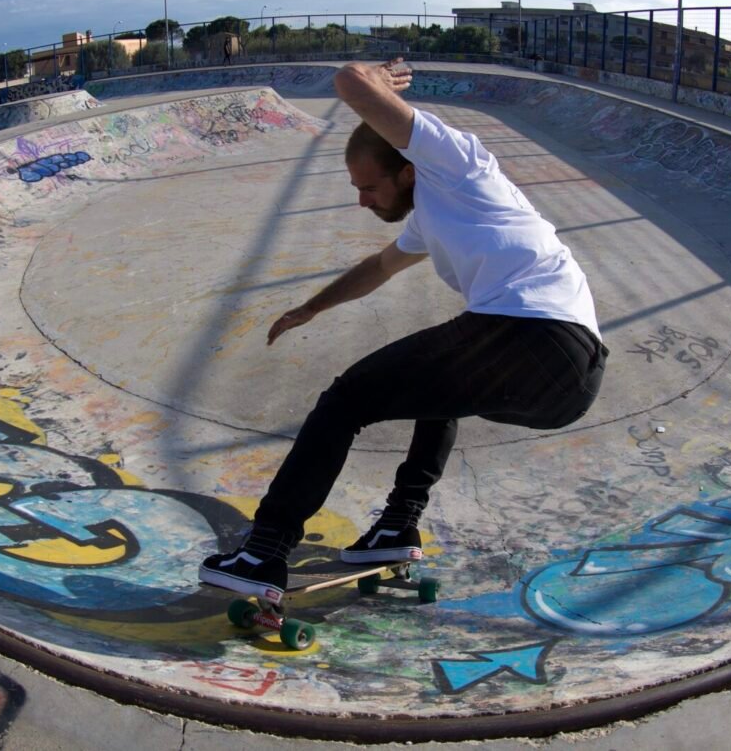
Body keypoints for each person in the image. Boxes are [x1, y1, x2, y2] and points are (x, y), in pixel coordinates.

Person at [200, 59, 608, 602]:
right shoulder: (430, 215)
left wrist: (375, 79)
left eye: (369, 187)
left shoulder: (457, 164)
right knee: (436, 395)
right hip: (568, 380)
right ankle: (397, 526)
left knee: (346, 399)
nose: (362, 201)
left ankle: (264, 551)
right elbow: (378, 268)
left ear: (407, 171)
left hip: (535, 331)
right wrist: (311, 308)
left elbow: (349, 82)